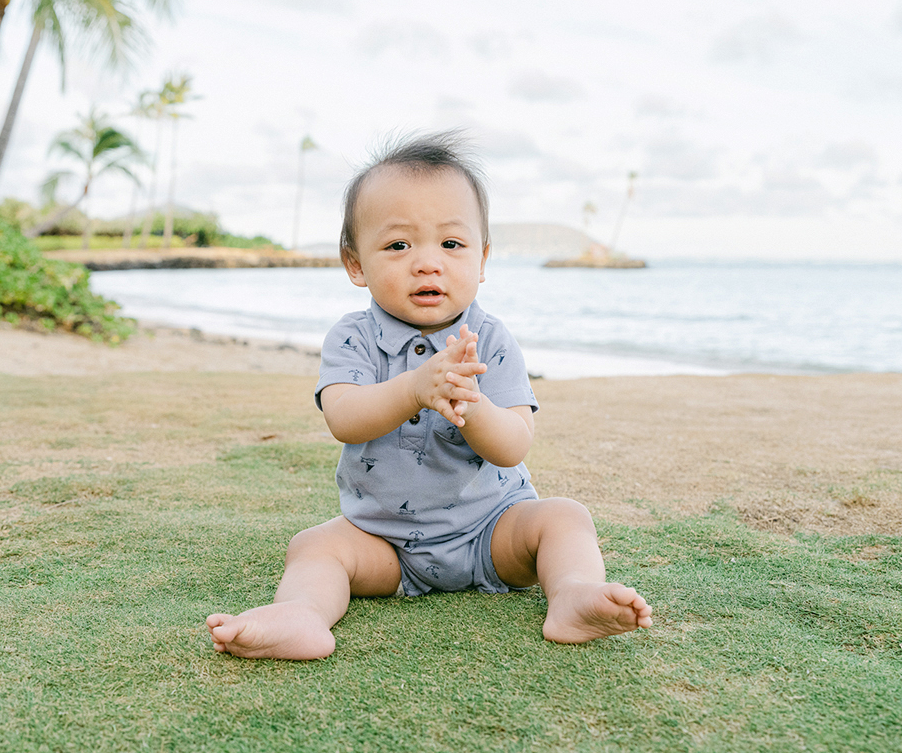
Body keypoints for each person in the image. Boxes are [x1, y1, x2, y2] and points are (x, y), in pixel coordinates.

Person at [207, 132, 652, 659]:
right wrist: (416, 388)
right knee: (314, 546)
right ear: (355, 264)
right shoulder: (353, 338)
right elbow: (344, 418)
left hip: (494, 531)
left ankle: (574, 594)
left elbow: (512, 446)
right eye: (398, 245)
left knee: (565, 517)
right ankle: (302, 615)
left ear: (482, 260)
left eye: (451, 244)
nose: (426, 262)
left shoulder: (490, 340)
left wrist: (472, 404)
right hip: (385, 540)